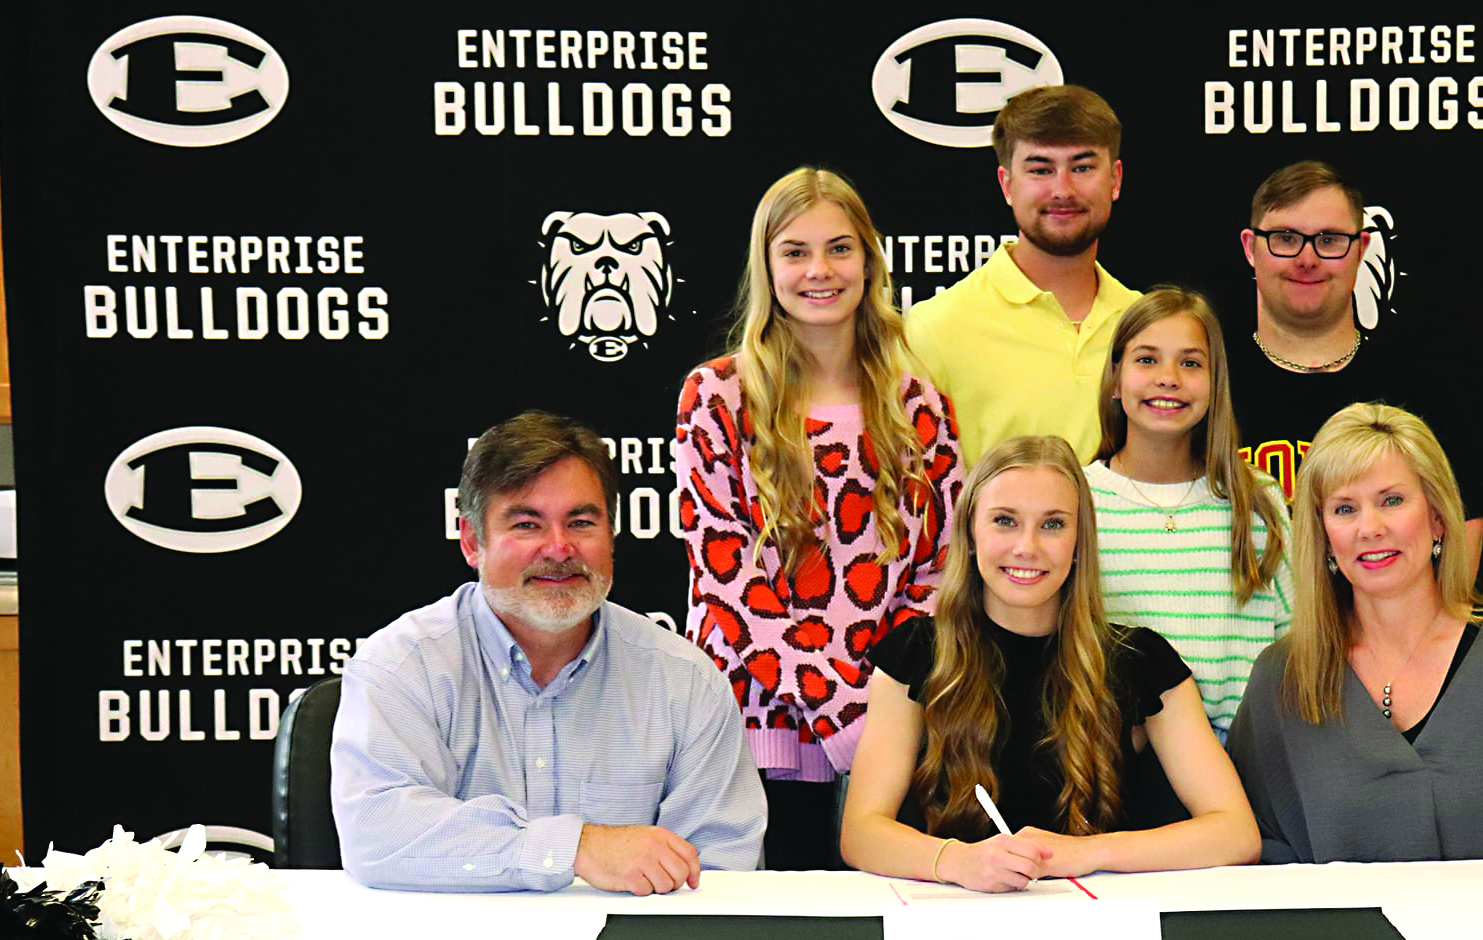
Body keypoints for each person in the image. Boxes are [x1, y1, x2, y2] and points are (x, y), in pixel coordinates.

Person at [332, 412, 765, 893]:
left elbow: (722, 872)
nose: (559, 549)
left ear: (611, 536)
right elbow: (377, 834)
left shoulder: (686, 681)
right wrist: (576, 848)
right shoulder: (403, 665)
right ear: (472, 542)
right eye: (526, 524)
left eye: (581, 522)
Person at [674, 168, 962, 870]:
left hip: (890, 726)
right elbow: (727, 582)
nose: (819, 271)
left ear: (869, 260)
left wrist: (884, 704)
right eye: (795, 252)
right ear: (767, 267)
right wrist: (838, 706)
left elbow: (939, 571)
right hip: (754, 731)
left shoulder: (919, 405)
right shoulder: (716, 396)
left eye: (839, 248)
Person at [842, 436, 1260, 892]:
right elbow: (861, 833)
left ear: (1080, 540)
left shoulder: (1143, 661)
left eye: (1053, 524)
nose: (1027, 547)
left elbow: (1235, 833)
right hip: (947, 924)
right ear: (970, 533)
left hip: (1100, 925)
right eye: (1005, 521)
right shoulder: (913, 653)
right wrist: (957, 861)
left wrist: (1088, 853)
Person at [1228, 403, 1483, 861]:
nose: (1370, 528)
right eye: (1345, 509)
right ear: (1324, 537)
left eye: (1392, 501)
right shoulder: (1282, 678)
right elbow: (1254, 851)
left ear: (1437, 517)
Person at [1231, 161, 1483, 567]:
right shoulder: (1205, 390)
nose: (1307, 258)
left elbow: (1459, 545)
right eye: (1285, 238)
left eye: (1329, 240)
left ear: (1361, 248)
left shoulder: (1421, 397)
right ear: (1250, 248)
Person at [1087, 288, 1292, 740]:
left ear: (1216, 383)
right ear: (1115, 380)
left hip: (1248, 757)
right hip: (1119, 755)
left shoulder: (1258, 501)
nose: (1168, 378)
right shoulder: (1079, 501)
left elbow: (1298, 641)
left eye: (1191, 363)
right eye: (1146, 360)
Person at [904, 85, 1139, 469]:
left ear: (1115, 180)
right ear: (1007, 185)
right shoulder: (935, 330)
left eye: (1082, 167)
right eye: (1040, 170)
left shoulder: (1143, 323)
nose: (1062, 190)